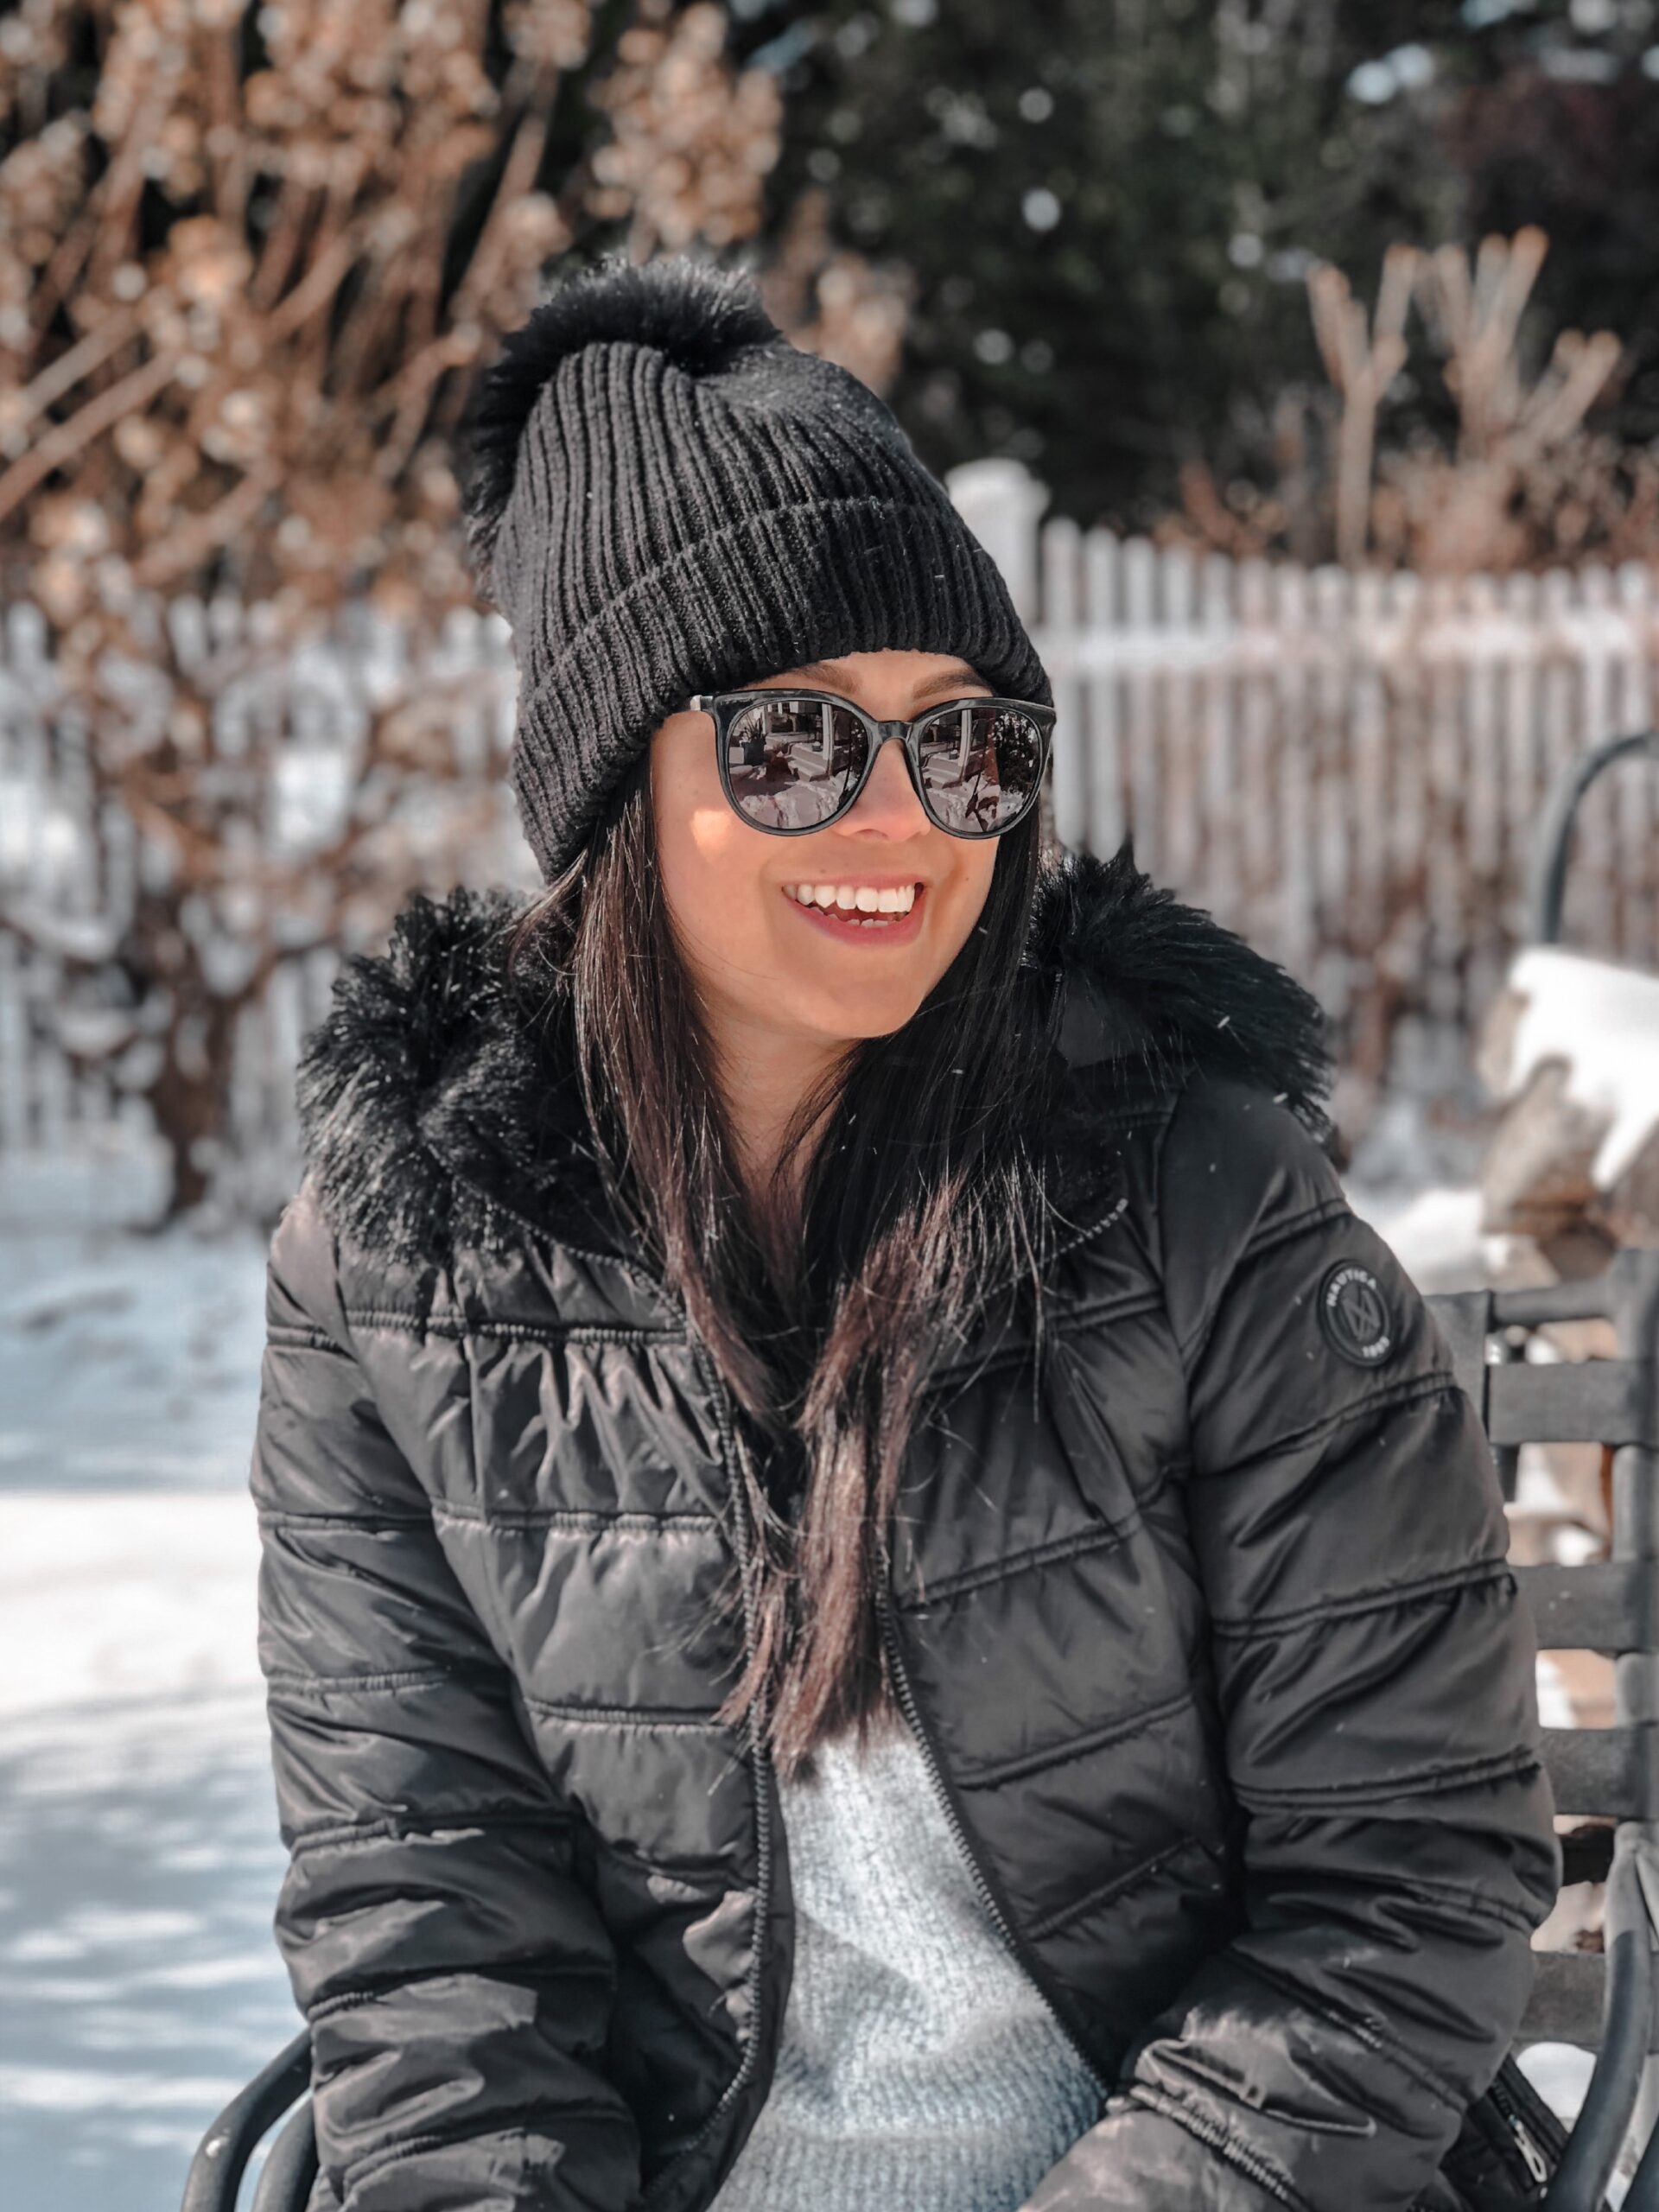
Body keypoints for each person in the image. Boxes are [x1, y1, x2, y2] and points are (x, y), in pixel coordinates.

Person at [251, 251, 1560, 2212]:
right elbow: (436, 1939)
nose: (905, 821)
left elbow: (1406, 1871)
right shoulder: (400, 1276)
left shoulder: (1203, 1203)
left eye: (969, 742)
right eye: (791, 743)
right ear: (619, 787)